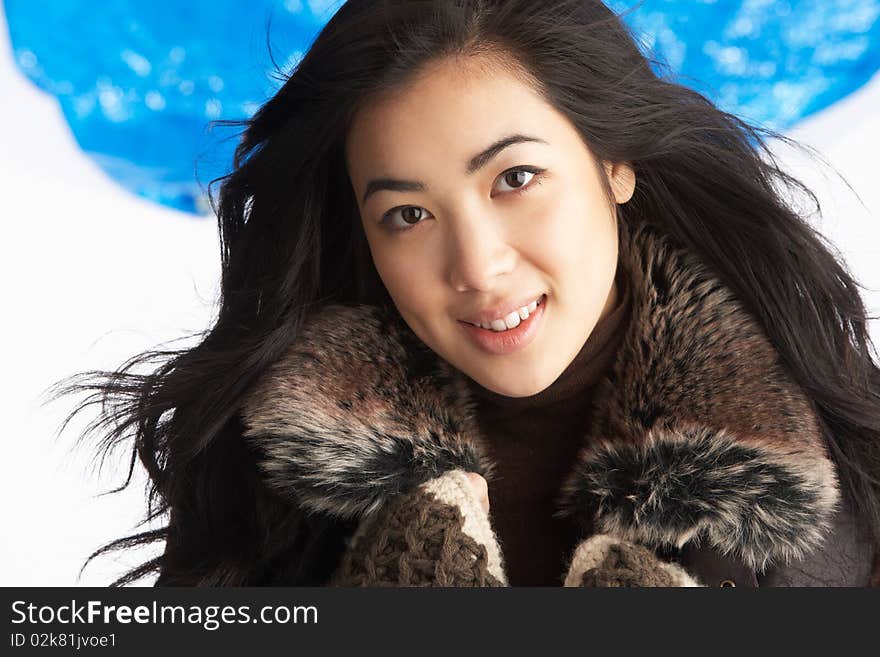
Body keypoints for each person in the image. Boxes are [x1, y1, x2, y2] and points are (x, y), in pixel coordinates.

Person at [50, 0, 880, 586]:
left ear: (615, 164)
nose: (477, 267)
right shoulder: (273, 484)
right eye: (407, 214)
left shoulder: (834, 439)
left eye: (515, 178)